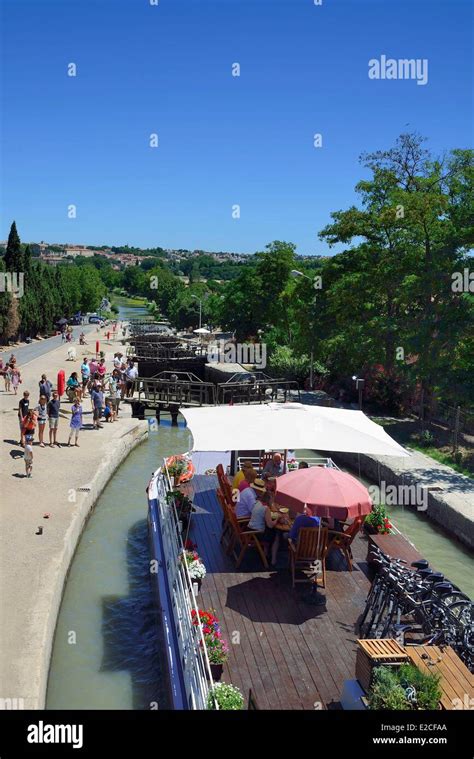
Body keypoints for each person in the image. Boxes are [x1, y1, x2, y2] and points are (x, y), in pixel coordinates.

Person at [247, 490, 279, 565]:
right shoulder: (266, 508)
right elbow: (270, 525)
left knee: (270, 531)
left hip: (250, 529)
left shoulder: (257, 503)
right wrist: (278, 518)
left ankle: (266, 552)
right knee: (276, 534)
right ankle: (272, 559)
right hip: (257, 533)